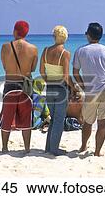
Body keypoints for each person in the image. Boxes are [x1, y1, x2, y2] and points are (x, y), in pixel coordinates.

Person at [73, 22, 105, 157]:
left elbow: (75, 73)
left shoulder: (80, 51)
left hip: (91, 90)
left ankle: (83, 146)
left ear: (88, 35)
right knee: (102, 123)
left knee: (87, 122)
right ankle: (97, 152)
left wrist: (84, 87)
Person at [0, 20, 38, 154]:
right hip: (24, 86)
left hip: (10, 84)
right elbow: (32, 68)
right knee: (26, 119)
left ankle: (4, 147)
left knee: (7, 119)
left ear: (15, 31)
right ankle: (27, 148)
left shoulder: (5, 47)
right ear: (26, 33)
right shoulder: (33, 49)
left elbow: (4, 66)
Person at [39, 25, 75, 155]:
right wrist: (74, 87)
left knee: (53, 118)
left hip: (49, 87)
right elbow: (66, 76)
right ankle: (54, 149)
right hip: (60, 88)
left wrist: (49, 80)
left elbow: (41, 71)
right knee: (59, 119)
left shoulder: (45, 51)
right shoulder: (65, 53)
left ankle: (49, 147)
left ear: (55, 36)